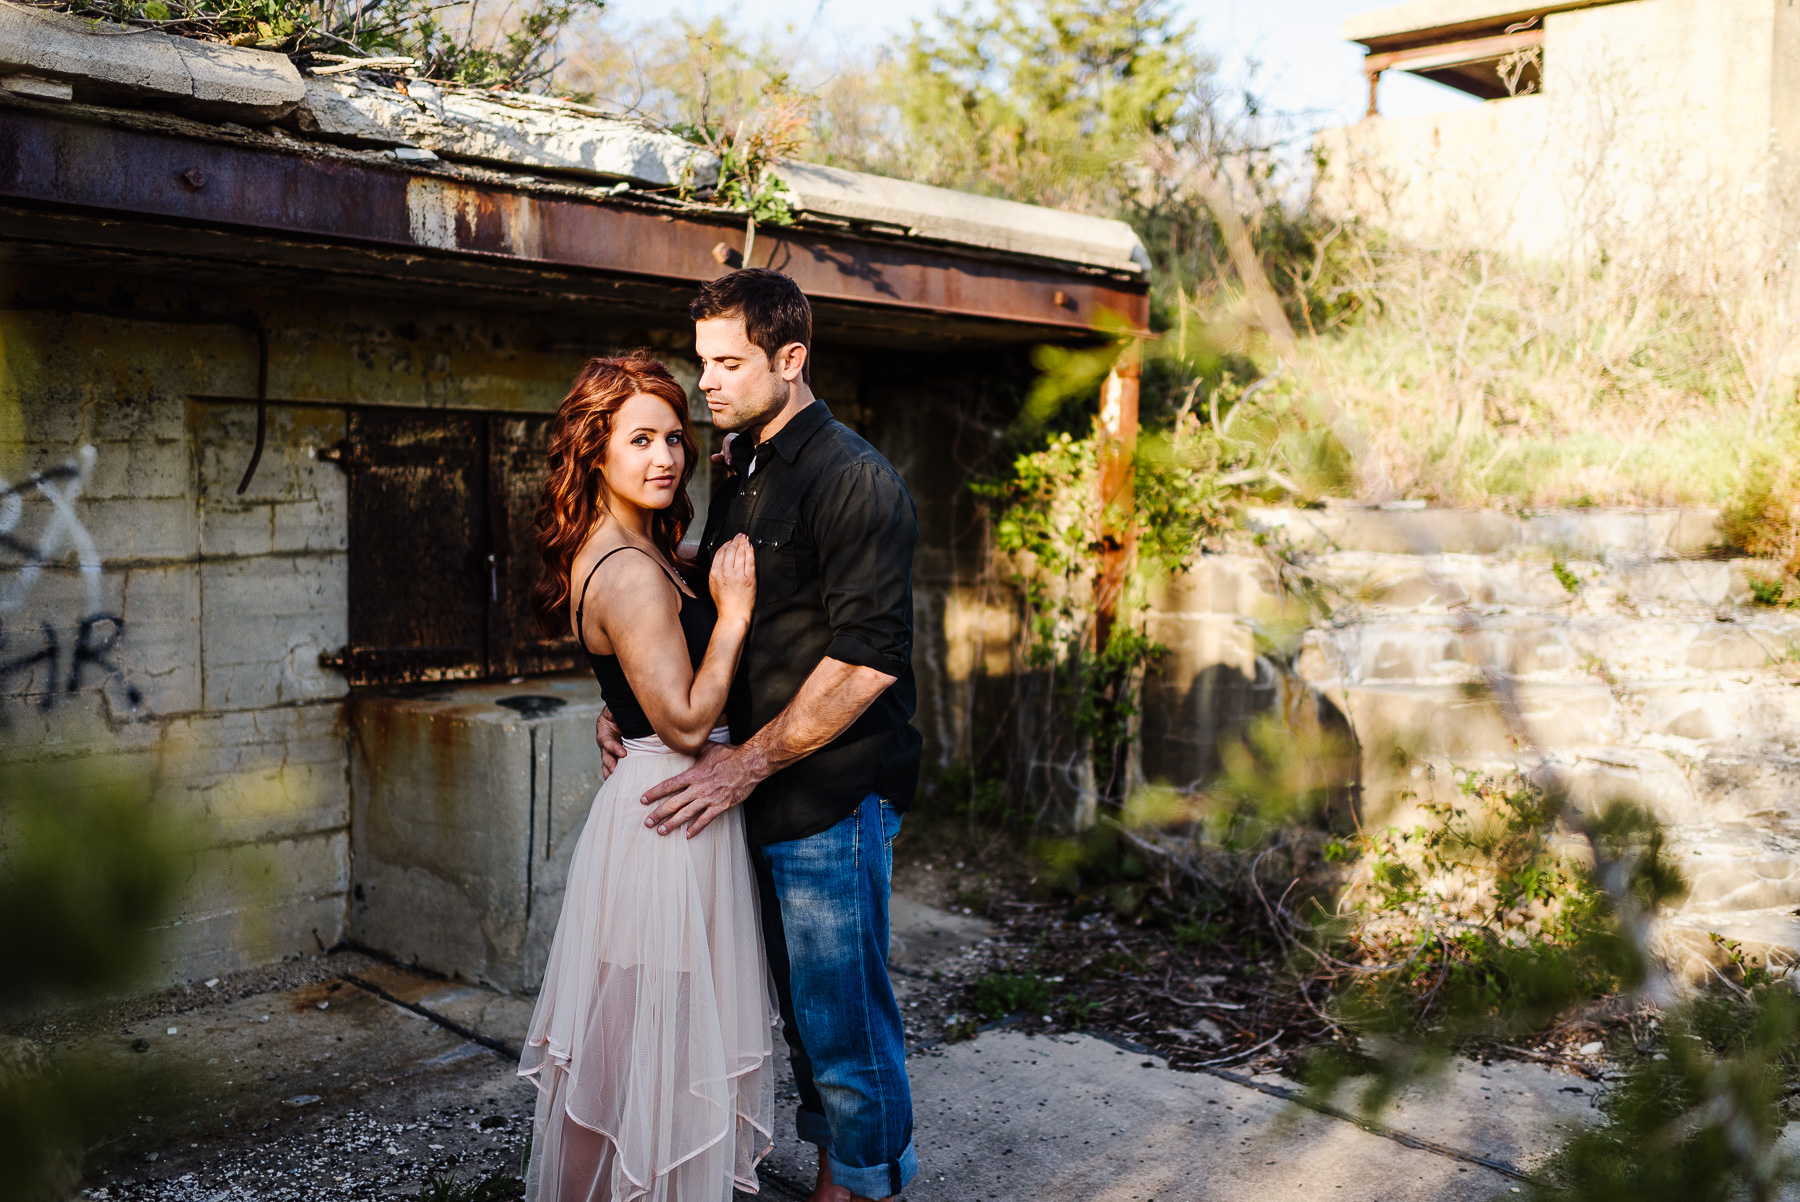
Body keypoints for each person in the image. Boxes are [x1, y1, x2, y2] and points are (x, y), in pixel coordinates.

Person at [598, 269, 923, 1202]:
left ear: (792, 359)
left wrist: (739, 767)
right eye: (703, 362)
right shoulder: (742, 461)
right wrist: (627, 695)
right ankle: (837, 1172)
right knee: (799, 1007)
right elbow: (721, 602)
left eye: (728, 363)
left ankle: (867, 1186)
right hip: (757, 783)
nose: (707, 383)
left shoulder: (853, 478)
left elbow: (865, 662)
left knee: (844, 1016)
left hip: (831, 790)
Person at [519, 354, 776, 1202]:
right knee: (627, 1045)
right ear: (597, 452)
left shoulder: (644, 548)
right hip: (672, 816)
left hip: (668, 803)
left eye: (673, 436)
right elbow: (689, 722)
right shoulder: (628, 571)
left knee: (640, 1041)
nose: (666, 455)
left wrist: (619, 710)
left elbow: (642, 689)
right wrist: (733, 615)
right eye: (640, 439)